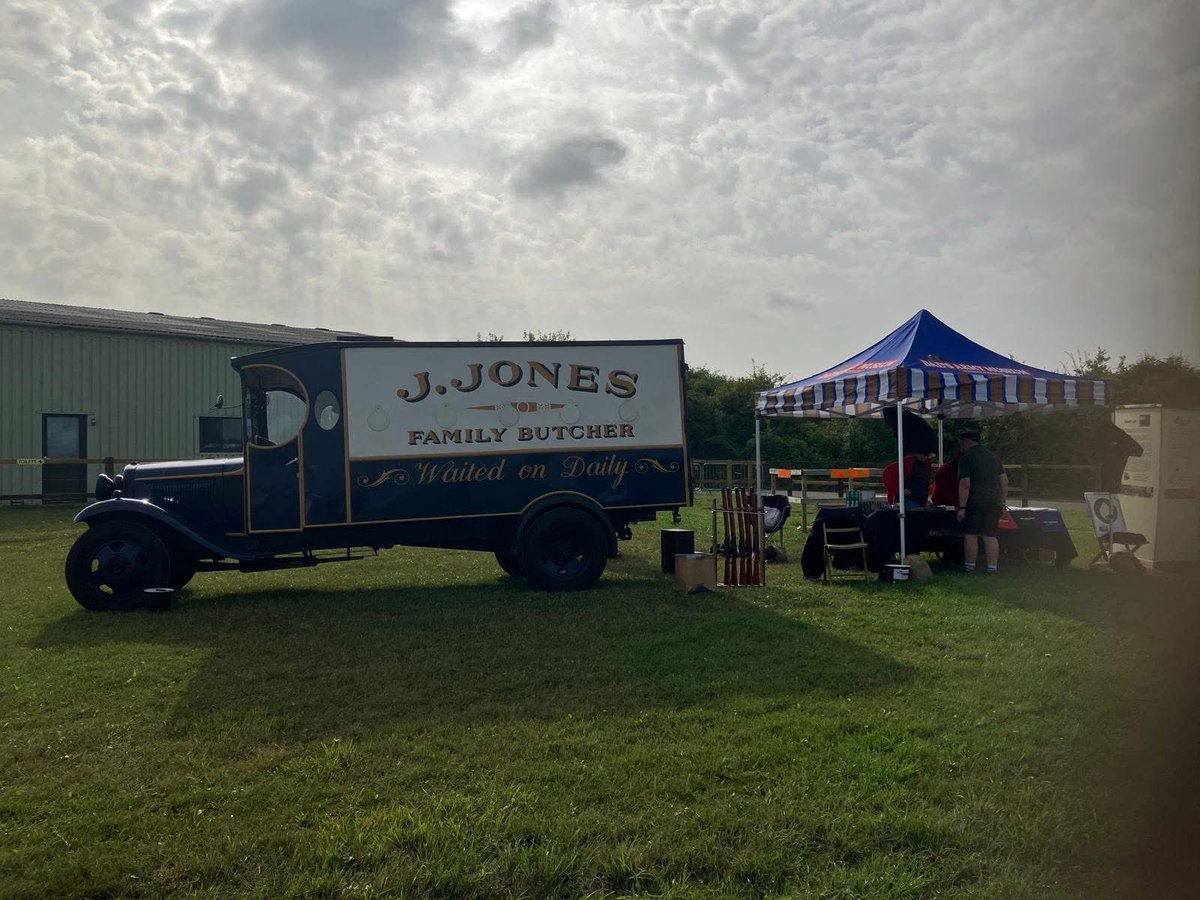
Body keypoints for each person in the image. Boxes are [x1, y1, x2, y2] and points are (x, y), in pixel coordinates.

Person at [956, 430, 1008, 574]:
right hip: (993, 501)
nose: (961, 446)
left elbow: (965, 483)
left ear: (967, 442)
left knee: (971, 534)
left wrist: (962, 507)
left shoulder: (966, 458)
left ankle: (970, 567)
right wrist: (1002, 501)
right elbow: (1004, 480)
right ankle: (992, 568)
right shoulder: (994, 457)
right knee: (990, 535)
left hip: (975, 501)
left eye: (961, 443)